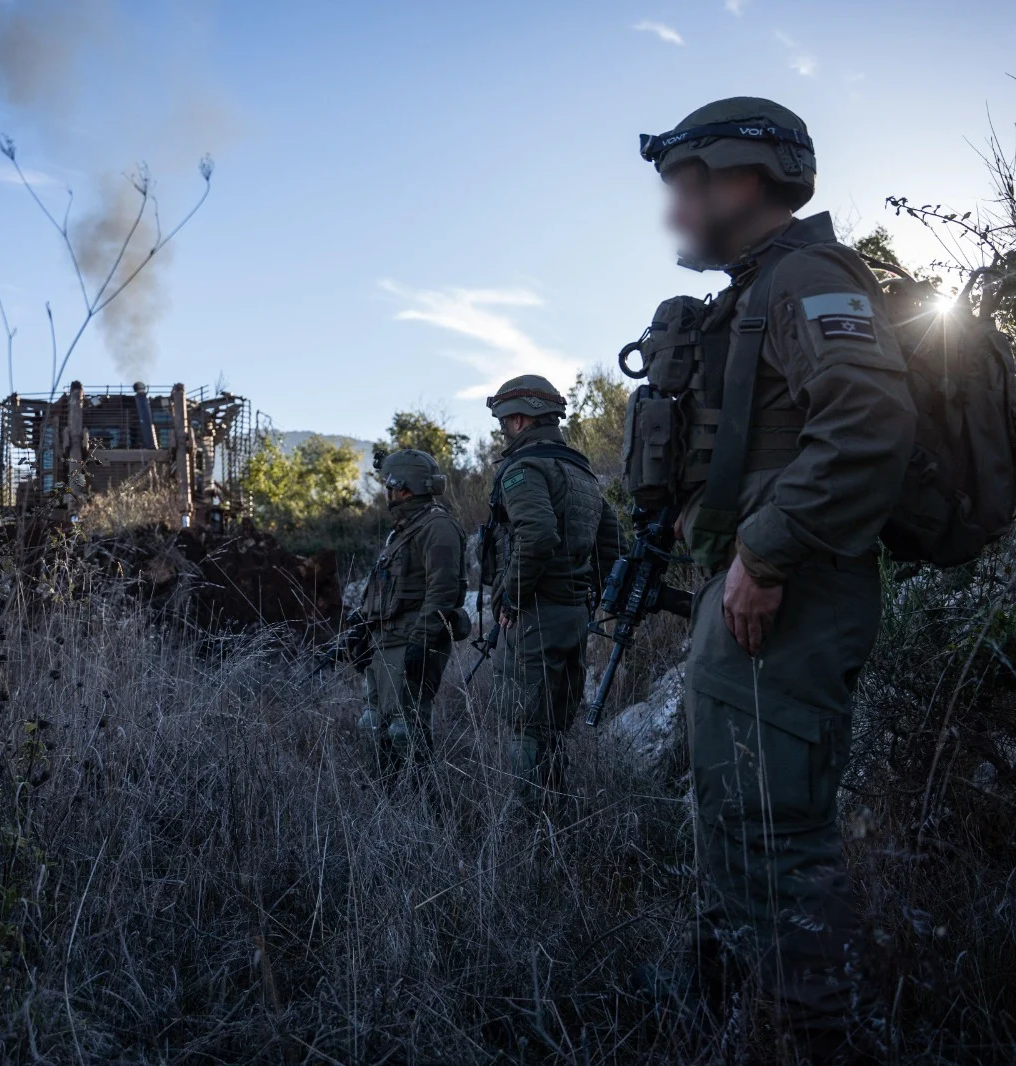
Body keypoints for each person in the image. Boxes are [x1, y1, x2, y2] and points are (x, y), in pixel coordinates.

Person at [635, 97, 916, 1051]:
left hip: (790, 592)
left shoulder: (807, 275)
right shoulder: (756, 290)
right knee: (732, 815)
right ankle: (736, 1017)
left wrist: (766, 551)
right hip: (757, 590)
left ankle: (815, 1036)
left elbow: (869, 421)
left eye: (685, 186)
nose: (675, 211)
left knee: (777, 836)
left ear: (739, 176)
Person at [481, 376, 621, 802]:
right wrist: (588, 597)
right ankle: (555, 816)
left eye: (505, 421)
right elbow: (611, 543)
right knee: (555, 723)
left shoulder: (524, 468)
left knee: (525, 725)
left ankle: (528, 826)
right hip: (574, 615)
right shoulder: (582, 472)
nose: (504, 429)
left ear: (520, 418)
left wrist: (512, 595)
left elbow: (537, 534)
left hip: (534, 615)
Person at [355, 448, 468, 769]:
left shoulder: (437, 527)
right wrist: (362, 633)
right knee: (372, 725)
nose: (386, 493)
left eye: (389, 486)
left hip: (411, 641)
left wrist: (421, 642)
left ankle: (426, 805)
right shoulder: (403, 528)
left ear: (405, 487)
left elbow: (443, 589)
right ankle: (387, 805)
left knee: (406, 730)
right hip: (385, 641)